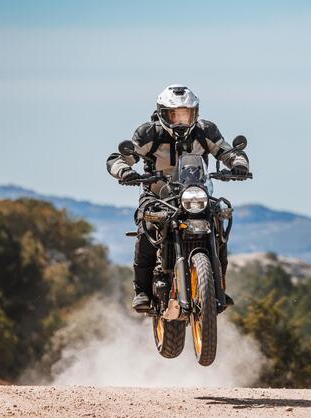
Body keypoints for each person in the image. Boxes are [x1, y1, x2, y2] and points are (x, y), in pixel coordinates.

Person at [106, 84, 250, 311]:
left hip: (196, 194)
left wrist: (239, 164)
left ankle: (217, 285)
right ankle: (142, 291)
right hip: (157, 195)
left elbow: (228, 151)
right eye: (175, 115)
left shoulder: (206, 131)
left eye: (187, 114)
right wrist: (125, 171)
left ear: (195, 114)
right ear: (163, 114)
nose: (181, 120)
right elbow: (117, 158)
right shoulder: (149, 134)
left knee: (219, 226)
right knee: (147, 229)